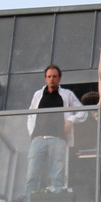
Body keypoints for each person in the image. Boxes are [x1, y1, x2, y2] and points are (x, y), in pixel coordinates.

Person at [25, 65, 86, 194]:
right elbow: (30, 115)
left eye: (54, 76)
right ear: (45, 79)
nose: (51, 79)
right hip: (38, 138)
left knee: (57, 176)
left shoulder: (67, 94)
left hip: (58, 139)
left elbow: (83, 112)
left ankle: (56, 201)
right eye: (49, 76)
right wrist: (31, 131)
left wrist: (70, 121)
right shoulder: (38, 94)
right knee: (32, 175)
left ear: (59, 78)